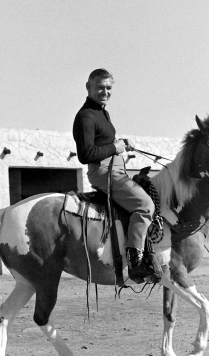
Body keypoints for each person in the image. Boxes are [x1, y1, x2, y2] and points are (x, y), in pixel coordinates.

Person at [72, 68, 159, 283]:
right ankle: (136, 260)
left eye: (109, 88)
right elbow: (86, 154)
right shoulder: (85, 117)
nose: (105, 92)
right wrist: (115, 147)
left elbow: (106, 143)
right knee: (145, 206)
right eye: (100, 87)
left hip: (116, 170)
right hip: (104, 173)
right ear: (88, 87)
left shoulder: (103, 113)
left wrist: (121, 144)